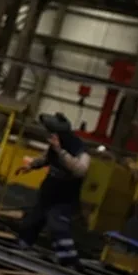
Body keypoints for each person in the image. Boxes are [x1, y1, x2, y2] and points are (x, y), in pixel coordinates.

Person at [15, 112, 89, 266]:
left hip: (65, 197)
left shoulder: (79, 149)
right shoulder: (53, 148)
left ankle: (69, 261)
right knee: (33, 220)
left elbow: (80, 170)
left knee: (57, 225)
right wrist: (31, 165)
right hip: (48, 192)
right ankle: (23, 246)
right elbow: (46, 158)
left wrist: (60, 151)